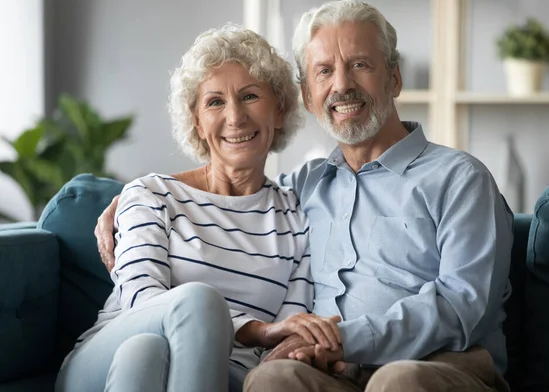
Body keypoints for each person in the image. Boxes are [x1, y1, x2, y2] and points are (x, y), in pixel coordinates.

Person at [96, 0, 514, 392]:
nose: (343, 85)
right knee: (271, 379)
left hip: (440, 364)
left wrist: (347, 340)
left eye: (360, 65)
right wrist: (134, 198)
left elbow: (462, 306)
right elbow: (232, 188)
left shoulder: (459, 178)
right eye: (324, 71)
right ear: (308, 97)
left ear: (395, 77)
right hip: (331, 369)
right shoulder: (304, 186)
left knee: (396, 382)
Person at [56, 24, 344, 392]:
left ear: (280, 110)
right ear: (197, 121)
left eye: (250, 96)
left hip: (227, 375)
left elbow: (289, 333)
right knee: (158, 332)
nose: (235, 117)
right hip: (105, 356)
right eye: (215, 102)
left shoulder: (296, 218)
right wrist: (256, 329)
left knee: (145, 356)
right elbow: (141, 298)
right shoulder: (151, 195)